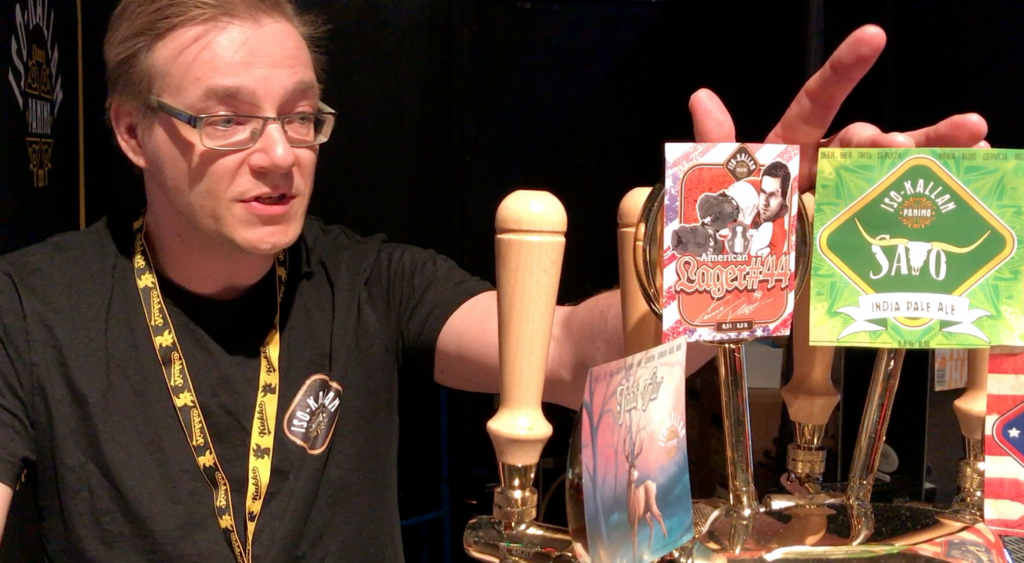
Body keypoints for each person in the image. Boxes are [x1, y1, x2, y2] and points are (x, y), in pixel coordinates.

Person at [0, 0, 990, 561]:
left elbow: (566, 354)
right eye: (226, 119)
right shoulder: (31, 306)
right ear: (131, 130)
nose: (279, 154)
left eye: (301, 116)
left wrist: (735, 250)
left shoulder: (365, 277)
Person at [749, 160, 793, 257]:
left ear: (783, 198)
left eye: (772, 195)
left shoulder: (782, 230)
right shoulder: (749, 207)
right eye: (763, 192)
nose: (765, 202)